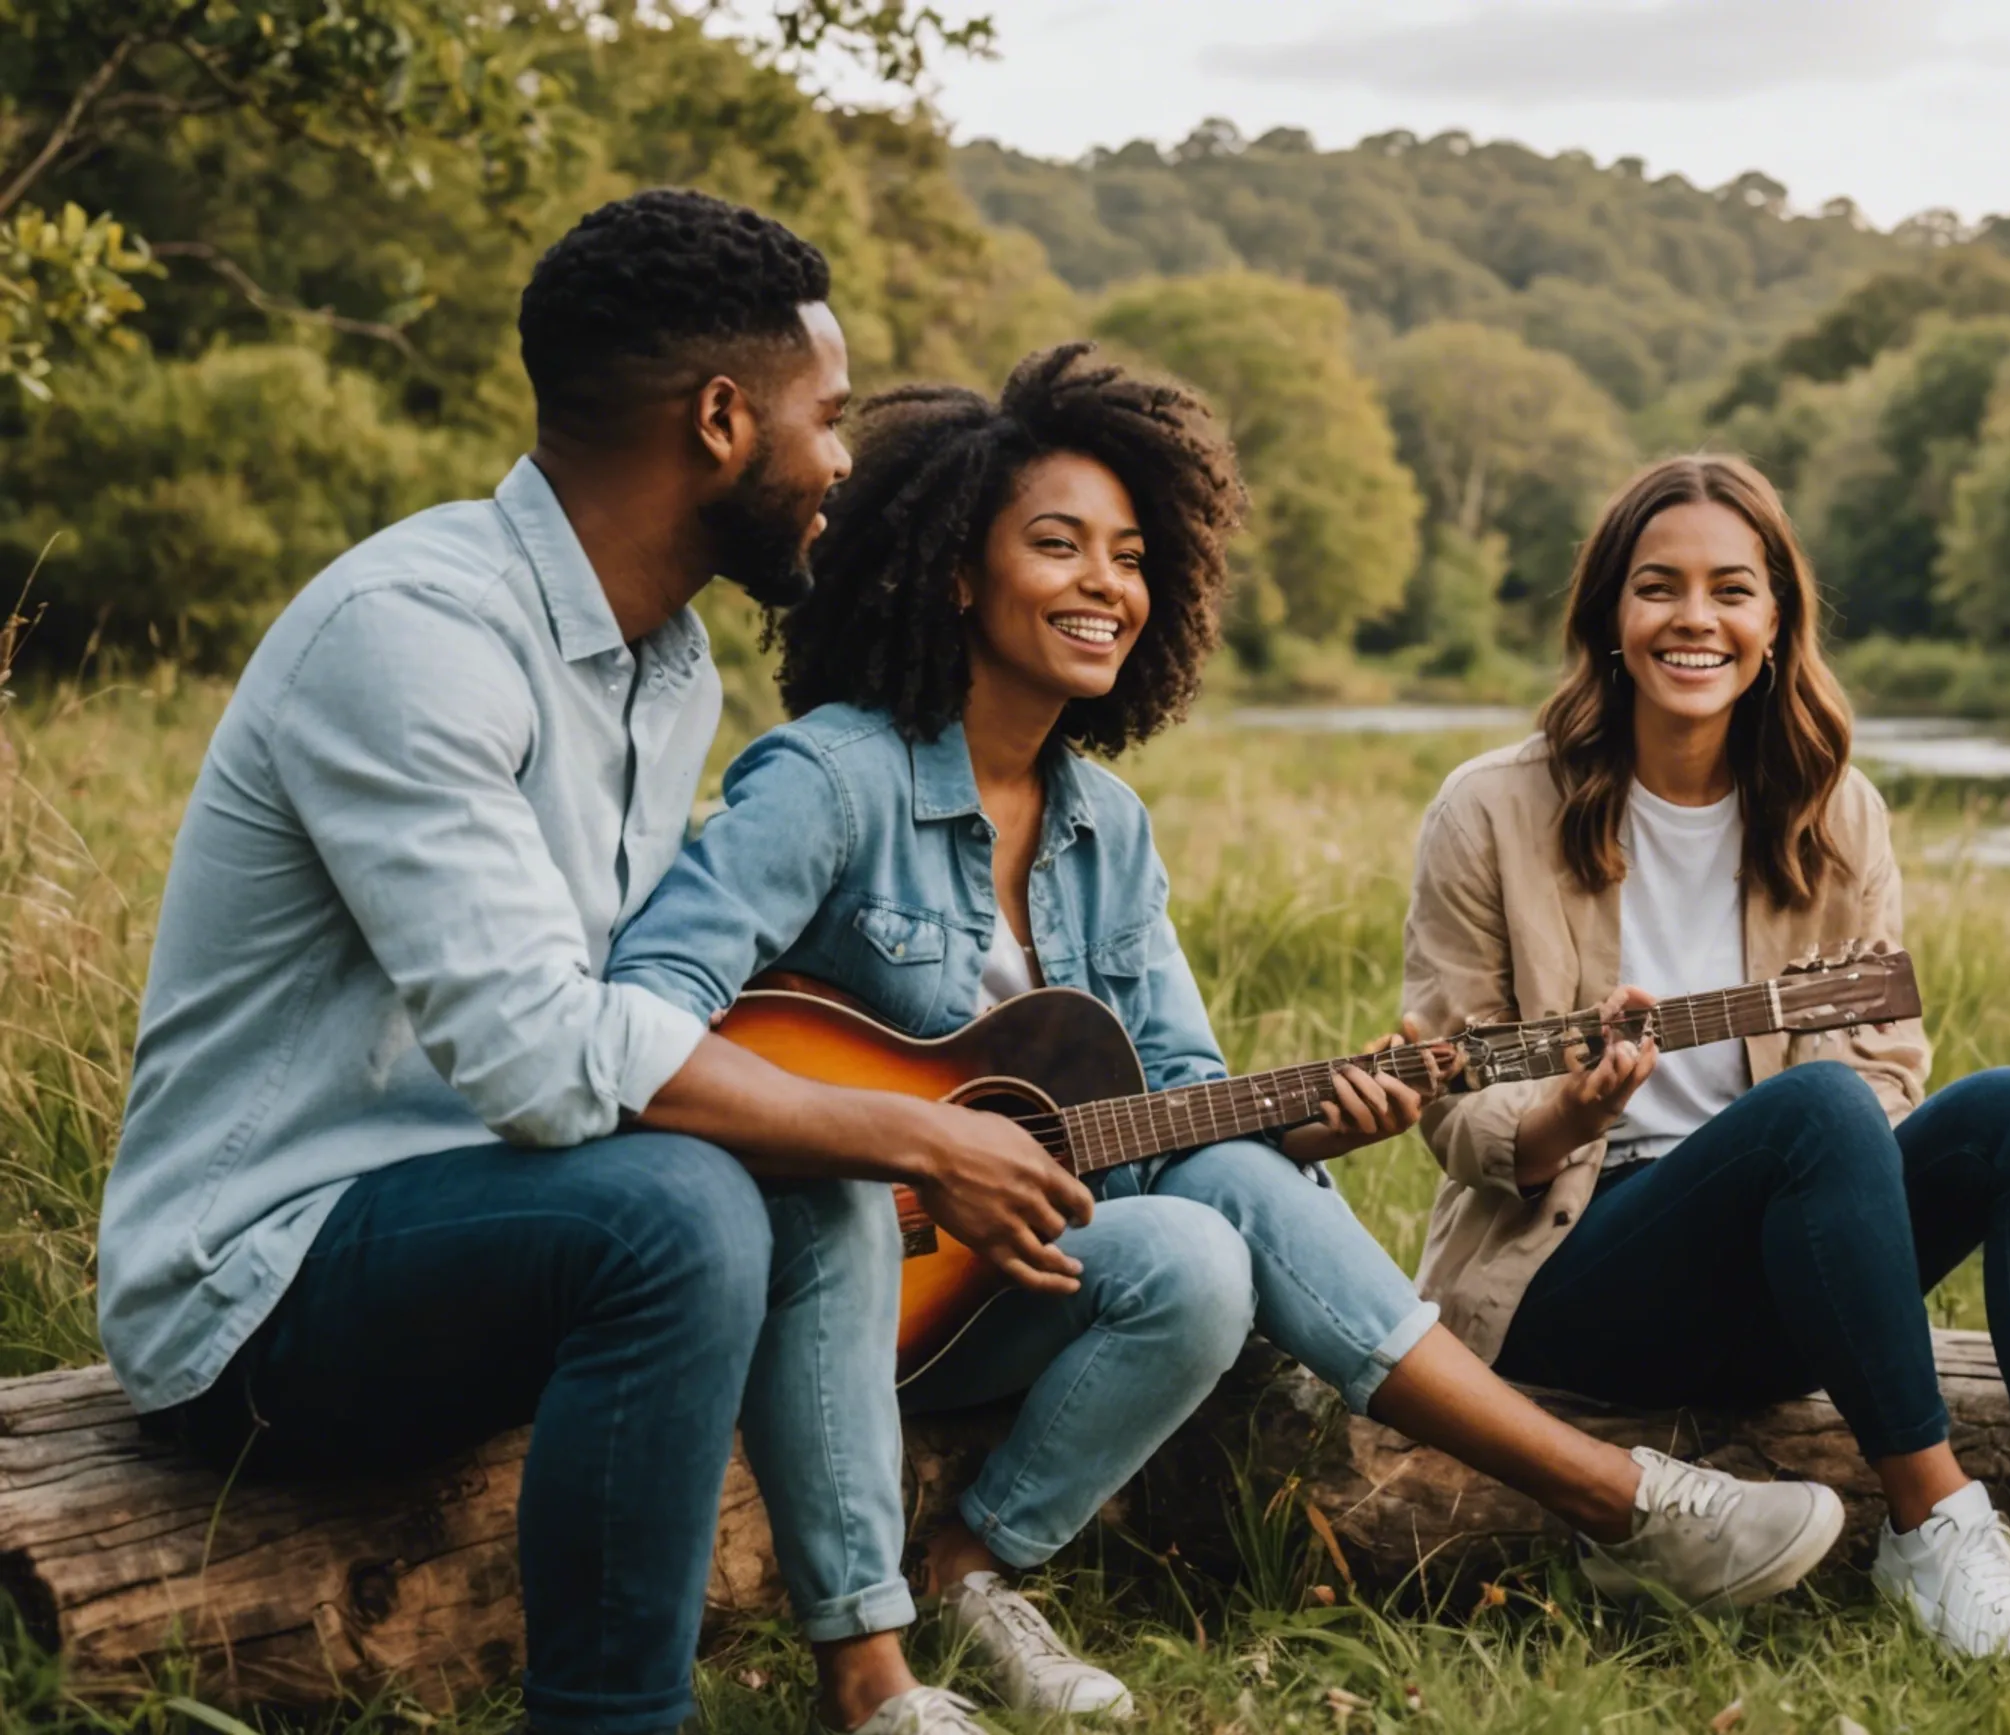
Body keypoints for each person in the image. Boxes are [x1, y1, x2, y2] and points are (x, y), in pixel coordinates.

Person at [605, 349, 1848, 1719]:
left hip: (995, 1285)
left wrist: (1334, 1110)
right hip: (833, 1272)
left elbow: (1185, 1093)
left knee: (1211, 1225)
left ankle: (973, 1567)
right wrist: (906, 1137)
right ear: (956, 569)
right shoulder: (832, 776)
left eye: (1132, 556)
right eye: (1058, 545)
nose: (1106, 583)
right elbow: (647, 1008)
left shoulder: (1106, 829)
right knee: (997, 1208)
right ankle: (1614, 1496)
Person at [99, 190, 1071, 1735]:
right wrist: (918, 1128)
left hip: (496, 1232)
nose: (846, 463)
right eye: (827, 420)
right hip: (259, 1292)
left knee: (784, 1158)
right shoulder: (412, 633)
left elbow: (651, 1006)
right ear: (720, 419)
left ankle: (869, 1669)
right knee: (687, 1194)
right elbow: (551, 1057)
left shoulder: (664, 663)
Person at [1398, 455, 2010, 1695]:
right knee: (1815, 1109)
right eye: (1658, 588)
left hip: (1798, 1261)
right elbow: (1449, 1101)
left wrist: (1828, 1174)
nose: (1696, 619)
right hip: (1572, 1274)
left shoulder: (1835, 811)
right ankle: (1930, 1522)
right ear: (1607, 619)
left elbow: (1885, 1063)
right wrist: (1569, 1106)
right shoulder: (1490, 810)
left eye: (1732, 589)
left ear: (1777, 619)